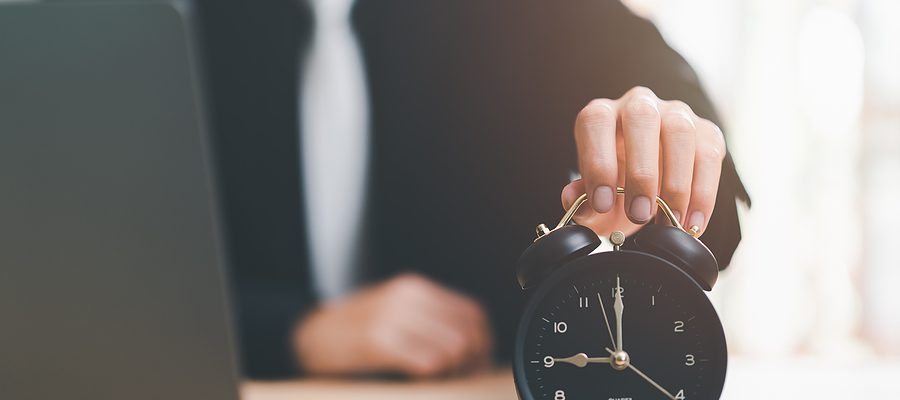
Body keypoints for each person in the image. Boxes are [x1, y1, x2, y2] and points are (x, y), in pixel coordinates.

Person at [196, 0, 749, 379]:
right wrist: (293, 330)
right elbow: (123, 280)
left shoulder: (547, 17)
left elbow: (716, 216)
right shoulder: (183, 28)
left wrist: (668, 140)